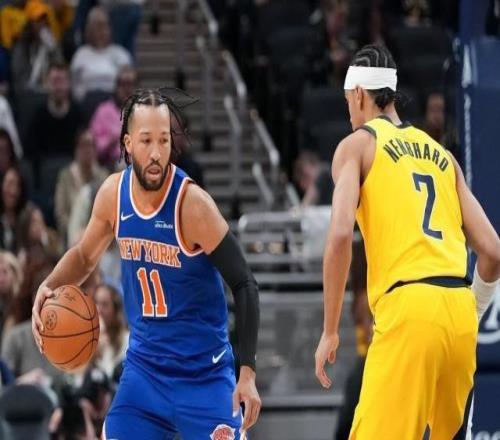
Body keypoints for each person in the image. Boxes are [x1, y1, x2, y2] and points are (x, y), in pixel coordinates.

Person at [32, 88, 261, 439]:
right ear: (127, 144)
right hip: (145, 372)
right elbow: (84, 256)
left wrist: (247, 371)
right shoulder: (113, 195)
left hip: (204, 375)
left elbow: (244, 283)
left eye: (164, 140)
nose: (156, 153)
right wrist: (49, 284)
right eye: (146, 140)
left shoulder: (192, 205)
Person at [314, 44, 500, 439]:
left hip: (409, 308)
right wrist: (473, 308)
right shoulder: (443, 156)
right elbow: (493, 252)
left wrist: (330, 329)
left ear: (359, 94)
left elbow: (341, 234)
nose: (349, 112)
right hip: (458, 314)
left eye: (347, 101)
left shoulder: (357, 146)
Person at [54, 128, 108, 240]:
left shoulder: (103, 176)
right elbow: (60, 214)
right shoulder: (65, 177)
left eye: (91, 145)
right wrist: (74, 231)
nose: (88, 150)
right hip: (73, 237)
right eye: (84, 145)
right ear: (76, 149)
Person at [70, 6, 131, 101]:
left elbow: (127, 84)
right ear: (89, 29)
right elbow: (74, 85)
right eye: (97, 26)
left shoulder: (121, 54)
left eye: (104, 26)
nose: (101, 31)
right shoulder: (80, 54)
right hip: (87, 103)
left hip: (114, 104)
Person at [90, 65, 138, 169]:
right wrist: (110, 140)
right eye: (123, 84)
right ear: (116, 86)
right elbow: (94, 145)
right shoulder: (103, 111)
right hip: (109, 164)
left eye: (130, 84)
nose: (126, 89)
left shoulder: (143, 113)